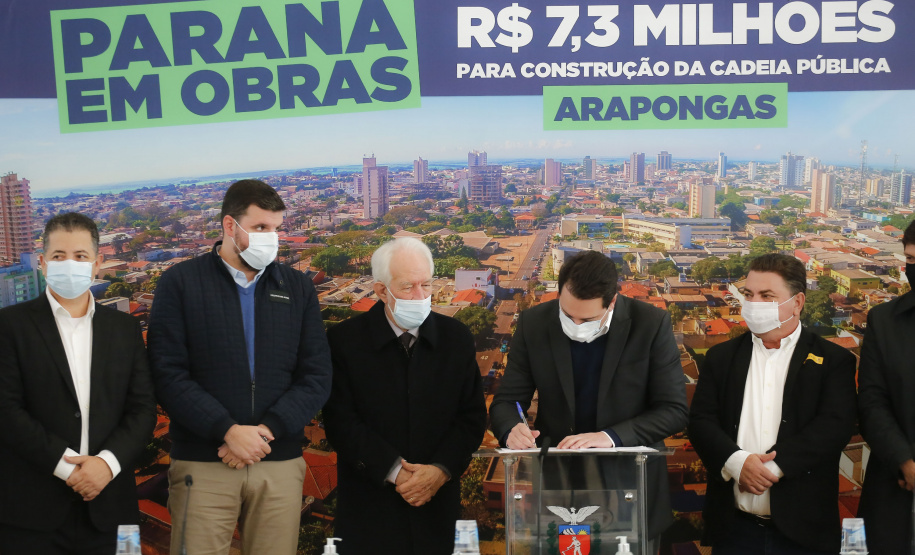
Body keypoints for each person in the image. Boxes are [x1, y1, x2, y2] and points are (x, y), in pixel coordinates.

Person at [148, 179, 332, 555]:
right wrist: (227, 430)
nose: (272, 238)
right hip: (204, 461)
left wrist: (265, 432)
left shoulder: (297, 287)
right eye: (261, 228)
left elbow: (316, 375)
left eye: (277, 228)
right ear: (230, 226)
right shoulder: (180, 283)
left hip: (277, 459)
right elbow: (167, 373)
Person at [490, 250, 688, 550]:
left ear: (612, 302)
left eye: (588, 318)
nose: (576, 324)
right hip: (558, 483)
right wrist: (510, 429)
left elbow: (673, 410)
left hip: (628, 481)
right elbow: (506, 401)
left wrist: (610, 437)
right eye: (568, 315)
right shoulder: (534, 323)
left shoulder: (650, 323)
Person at [0, 212, 156, 554]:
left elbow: (143, 409)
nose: (69, 264)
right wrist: (67, 468)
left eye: (81, 256)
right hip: (28, 513)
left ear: (97, 263)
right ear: (42, 263)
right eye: (59, 256)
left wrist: (107, 464)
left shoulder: (125, 329)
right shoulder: (9, 326)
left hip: (116, 507)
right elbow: (6, 411)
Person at [324, 237, 486, 555]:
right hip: (370, 506)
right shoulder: (344, 342)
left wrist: (440, 470)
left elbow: (471, 417)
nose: (420, 296)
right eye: (408, 287)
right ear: (382, 290)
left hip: (437, 504)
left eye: (426, 285)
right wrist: (396, 473)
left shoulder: (456, 339)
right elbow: (340, 421)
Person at [689, 253, 857, 554]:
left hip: (802, 532)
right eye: (750, 295)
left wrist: (773, 468)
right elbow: (701, 421)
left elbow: (835, 426)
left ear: (797, 303)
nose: (754, 305)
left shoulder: (834, 361)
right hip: (733, 530)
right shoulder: (721, 357)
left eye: (767, 296)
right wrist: (737, 463)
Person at [858, 219, 915, 554]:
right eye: (909, 260)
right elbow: (871, 402)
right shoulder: (885, 321)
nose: (913, 268)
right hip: (896, 487)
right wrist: (904, 460)